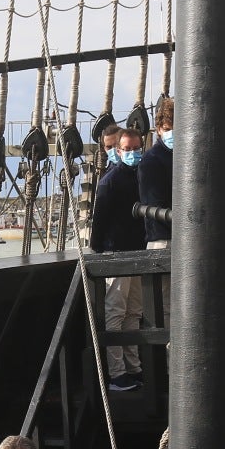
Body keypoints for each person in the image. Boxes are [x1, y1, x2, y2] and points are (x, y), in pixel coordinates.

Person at [89, 124, 146, 390]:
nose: (132, 153)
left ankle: (134, 368)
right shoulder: (110, 181)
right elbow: (98, 221)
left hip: (135, 250)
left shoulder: (139, 175)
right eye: (126, 149)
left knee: (133, 312)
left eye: (136, 149)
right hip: (116, 252)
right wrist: (99, 251)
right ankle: (117, 373)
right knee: (116, 312)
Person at [137, 100, 174, 321]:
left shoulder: (181, 157)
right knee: (165, 305)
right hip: (163, 238)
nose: (172, 134)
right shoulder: (151, 160)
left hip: (184, 238)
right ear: (159, 129)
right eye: (168, 129)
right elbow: (153, 203)